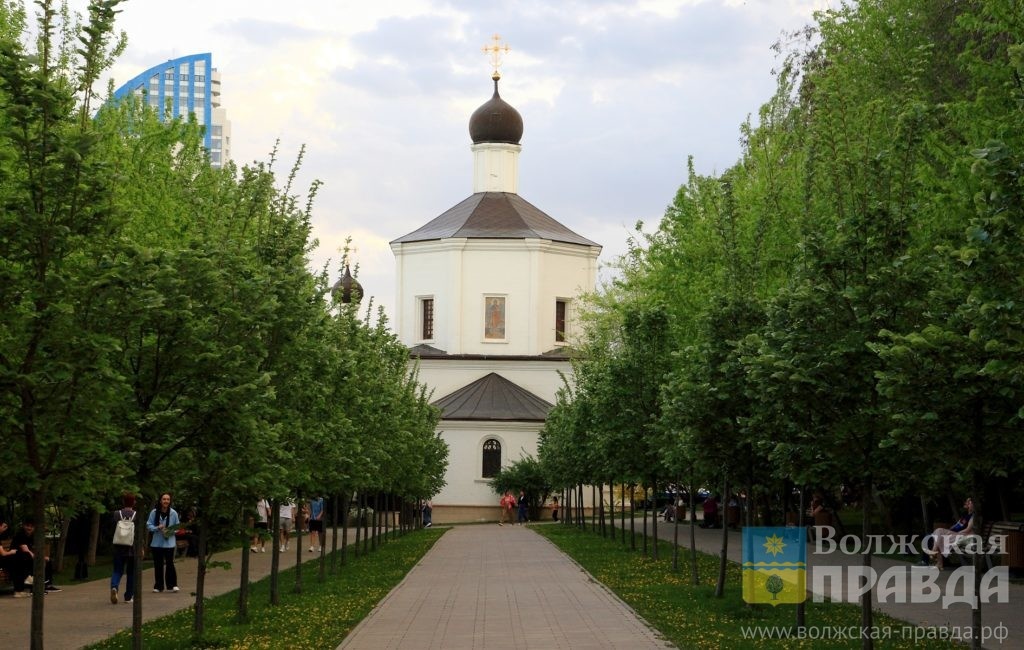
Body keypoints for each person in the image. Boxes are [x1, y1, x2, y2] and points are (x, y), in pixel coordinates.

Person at [11, 517, 60, 594]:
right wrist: (37, 558)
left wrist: (42, 557)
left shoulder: (33, 536)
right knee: (31, 559)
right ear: (24, 526)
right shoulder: (20, 534)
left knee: (48, 560)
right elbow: (25, 550)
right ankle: (34, 589)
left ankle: (48, 585)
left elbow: (35, 549)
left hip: (26, 557)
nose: (29, 528)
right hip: (18, 559)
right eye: (27, 526)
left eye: (31, 526)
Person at [926, 497, 975, 569]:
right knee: (939, 534)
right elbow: (957, 524)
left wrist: (954, 533)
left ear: (974, 505)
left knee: (939, 532)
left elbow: (968, 529)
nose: (966, 503)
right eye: (967, 501)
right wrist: (949, 531)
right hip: (956, 534)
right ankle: (936, 557)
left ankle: (936, 557)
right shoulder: (965, 514)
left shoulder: (974, 516)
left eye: (969, 502)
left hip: (964, 535)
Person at [147, 492, 180, 593]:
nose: (166, 501)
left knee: (170, 563)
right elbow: (149, 525)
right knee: (158, 565)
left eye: (168, 499)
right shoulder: (154, 512)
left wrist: (169, 532)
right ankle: (158, 586)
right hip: (156, 543)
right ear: (160, 500)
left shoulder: (173, 513)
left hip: (169, 543)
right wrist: (157, 527)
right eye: (164, 499)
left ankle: (173, 584)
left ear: (170, 501)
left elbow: (177, 527)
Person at [109, 494, 138, 604]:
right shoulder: (136, 515)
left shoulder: (117, 514)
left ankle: (114, 587)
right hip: (131, 548)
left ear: (123, 501)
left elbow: (112, 529)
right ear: (134, 502)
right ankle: (128, 596)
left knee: (117, 570)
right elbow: (138, 533)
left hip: (118, 547)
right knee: (131, 573)